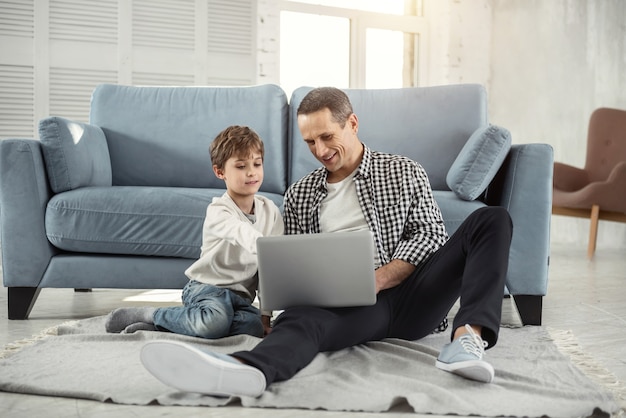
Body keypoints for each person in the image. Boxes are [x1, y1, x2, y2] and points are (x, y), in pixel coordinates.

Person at [139, 87, 513, 398]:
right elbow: (294, 265)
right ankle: (246, 370)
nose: (319, 150)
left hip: (415, 294)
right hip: (353, 309)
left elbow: (431, 233)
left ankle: (467, 340)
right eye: (309, 142)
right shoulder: (301, 195)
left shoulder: (402, 170)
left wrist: (379, 277)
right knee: (301, 319)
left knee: (491, 220)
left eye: (326, 137)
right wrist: (281, 303)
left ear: (352, 123)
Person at [104, 125, 284, 339]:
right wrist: (268, 247)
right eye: (241, 166)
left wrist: (265, 315)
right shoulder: (219, 210)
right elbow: (240, 231)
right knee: (214, 324)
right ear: (220, 172)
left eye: (257, 163)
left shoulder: (270, 211)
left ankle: (165, 325)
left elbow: (269, 270)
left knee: (252, 328)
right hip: (207, 288)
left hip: (240, 298)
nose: (252, 172)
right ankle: (151, 314)